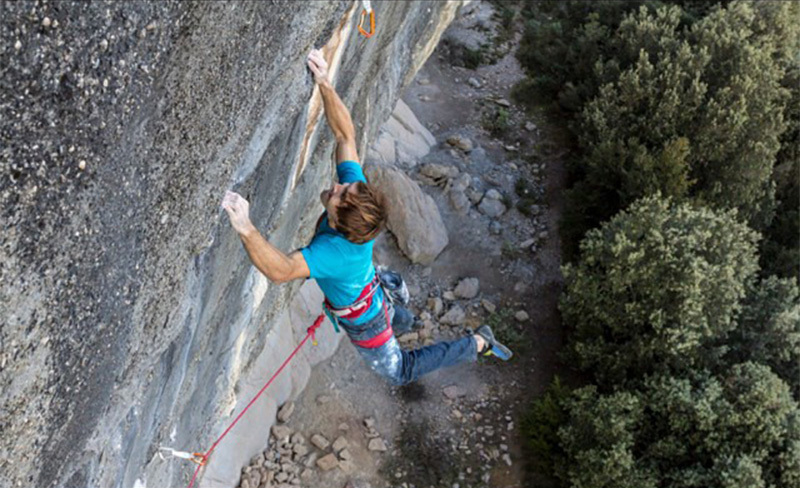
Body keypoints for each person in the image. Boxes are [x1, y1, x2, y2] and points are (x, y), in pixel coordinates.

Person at [221, 48, 512, 386]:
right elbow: (346, 135)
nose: (336, 186)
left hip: (368, 316)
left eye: (339, 195)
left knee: (400, 370)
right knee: (395, 316)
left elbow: (281, 271)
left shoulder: (336, 253)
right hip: (374, 293)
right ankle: (408, 323)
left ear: (342, 224)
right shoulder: (356, 200)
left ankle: (478, 343)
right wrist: (325, 83)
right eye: (343, 189)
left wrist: (244, 226)